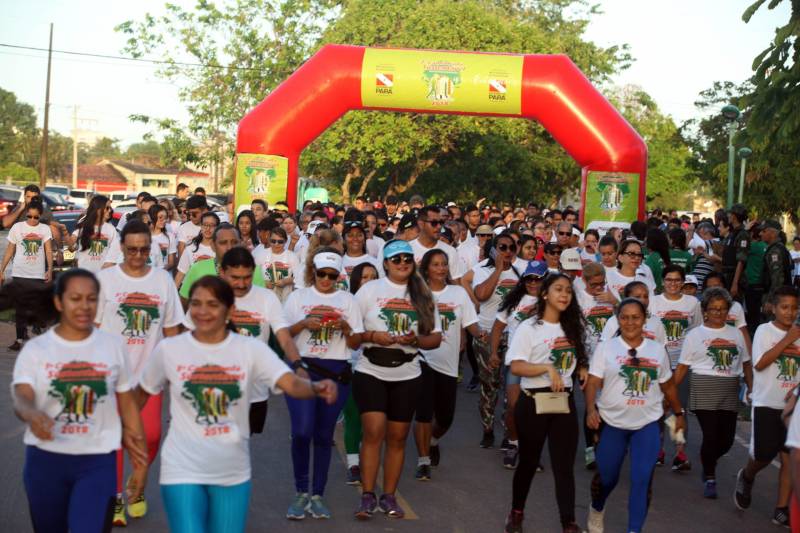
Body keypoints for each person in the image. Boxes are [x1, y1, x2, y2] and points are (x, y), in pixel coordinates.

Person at [136, 275, 337, 533]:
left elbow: (289, 383)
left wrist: (315, 387)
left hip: (231, 471)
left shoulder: (250, 349)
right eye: (196, 304)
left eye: (212, 304)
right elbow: (140, 394)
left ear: (230, 310)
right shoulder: (169, 350)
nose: (202, 311)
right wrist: (129, 437)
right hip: (181, 468)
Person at [11, 269, 149, 533]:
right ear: (59, 302)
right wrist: (31, 414)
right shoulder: (37, 350)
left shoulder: (112, 346)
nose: (85, 306)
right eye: (76, 298)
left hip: (97, 461)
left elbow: (129, 404)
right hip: (46, 461)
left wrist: (140, 464)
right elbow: (23, 396)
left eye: (92, 298)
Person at [95, 220, 185, 525]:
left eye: (144, 249)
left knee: (151, 435)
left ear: (151, 249)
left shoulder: (162, 281)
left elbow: (172, 329)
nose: (137, 254)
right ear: (121, 247)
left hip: (150, 377)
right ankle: (116, 498)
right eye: (131, 249)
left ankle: (138, 479)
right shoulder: (106, 280)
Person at [352, 239, 442, 520]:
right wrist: (372, 336)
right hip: (371, 369)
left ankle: (389, 495)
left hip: (408, 372)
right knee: (374, 431)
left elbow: (435, 338)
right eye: (397, 258)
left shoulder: (423, 293)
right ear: (386, 263)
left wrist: (416, 338)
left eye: (407, 258)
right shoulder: (369, 290)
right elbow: (352, 337)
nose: (403, 262)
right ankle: (368, 495)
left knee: (398, 436)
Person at [585, 298, 686, 533]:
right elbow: (593, 382)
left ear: (644, 319)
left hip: (648, 423)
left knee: (641, 480)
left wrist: (679, 413)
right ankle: (597, 508)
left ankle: (634, 530)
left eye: (636, 317)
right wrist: (591, 408)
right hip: (612, 423)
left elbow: (668, 386)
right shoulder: (606, 348)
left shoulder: (656, 349)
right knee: (608, 477)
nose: (630, 322)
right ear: (618, 319)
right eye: (625, 317)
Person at [503, 273, 588, 533]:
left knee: (564, 467)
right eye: (558, 290)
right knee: (529, 462)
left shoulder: (573, 326)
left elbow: (578, 356)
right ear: (544, 295)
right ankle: (516, 513)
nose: (564, 295)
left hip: (563, 404)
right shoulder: (529, 328)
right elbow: (515, 364)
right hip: (533, 402)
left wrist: (582, 367)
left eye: (568, 291)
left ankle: (568, 523)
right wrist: (546, 369)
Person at [282, 249, 363, 519]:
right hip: (303, 370)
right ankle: (300, 491)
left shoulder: (348, 301)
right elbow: (283, 336)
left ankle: (317, 495)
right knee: (302, 431)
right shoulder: (298, 297)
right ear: (312, 272)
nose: (326, 279)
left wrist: (347, 328)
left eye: (332, 275)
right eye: (321, 274)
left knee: (323, 436)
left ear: (339, 276)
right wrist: (304, 323)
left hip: (336, 371)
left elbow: (356, 344)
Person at [673, 287, 752, 498]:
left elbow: (746, 364)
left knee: (725, 441)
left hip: (729, 388)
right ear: (705, 311)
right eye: (713, 309)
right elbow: (682, 367)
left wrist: (752, 388)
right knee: (711, 435)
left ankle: (708, 459)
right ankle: (710, 477)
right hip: (703, 386)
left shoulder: (736, 334)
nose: (718, 313)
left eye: (723, 309)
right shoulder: (694, 335)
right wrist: (668, 393)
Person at [735, 286, 800, 527]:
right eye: (785, 307)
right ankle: (748, 474)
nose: (790, 312)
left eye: (794, 308)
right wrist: (788, 339)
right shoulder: (765, 330)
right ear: (773, 307)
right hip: (767, 402)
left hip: (792, 407)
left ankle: (781, 508)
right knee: (763, 454)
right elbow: (760, 363)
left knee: (789, 457)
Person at [414, 249, 480, 479]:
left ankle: (432, 440)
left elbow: (472, 324)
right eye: (436, 264)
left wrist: (484, 338)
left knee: (445, 417)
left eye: (444, 264)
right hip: (421, 359)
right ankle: (423, 460)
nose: (441, 268)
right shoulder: (417, 294)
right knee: (423, 413)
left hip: (448, 363)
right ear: (427, 269)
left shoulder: (458, 293)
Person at [469, 231, 525, 448]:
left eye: (511, 247)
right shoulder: (482, 271)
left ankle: (509, 429)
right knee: (490, 385)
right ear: (493, 250)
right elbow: (481, 295)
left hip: (513, 338)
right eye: (502, 247)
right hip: (486, 335)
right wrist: (498, 270)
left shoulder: (520, 274)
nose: (508, 252)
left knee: (511, 388)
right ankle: (488, 427)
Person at [492, 260, 547, 470]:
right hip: (516, 362)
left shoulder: (552, 300)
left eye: (538, 279)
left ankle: (531, 451)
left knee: (537, 411)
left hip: (541, 364)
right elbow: (498, 327)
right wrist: (493, 353)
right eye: (529, 278)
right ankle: (513, 443)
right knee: (515, 407)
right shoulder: (514, 300)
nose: (533, 283)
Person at [649, 264, 702, 470]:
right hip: (657, 364)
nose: (673, 284)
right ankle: (657, 449)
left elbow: (696, 332)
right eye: (669, 280)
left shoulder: (692, 303)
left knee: (678, 408)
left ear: (683, 282)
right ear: (663, 281)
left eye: (677, 280)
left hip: (682, 364)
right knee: (657, 407)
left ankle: (680, 452)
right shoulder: (653, 302)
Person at [575, 262, 617, 469]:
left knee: (606, 403)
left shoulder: (610, 295)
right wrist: (581, 362)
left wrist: (614, 301)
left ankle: (604, 445)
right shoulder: (579, 298)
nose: (599, 288)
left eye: (602, 283)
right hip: (588, 360)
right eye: (595, 285)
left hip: (610, 359)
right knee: (591, 404)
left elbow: (629, 315)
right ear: (584, 280)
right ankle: (591, 449)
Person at [342, 262, 379, 485]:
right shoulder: (347, 303)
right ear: (356, 280)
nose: (369, 281)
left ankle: (368, 455)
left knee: (373, 417)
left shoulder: (384, 304)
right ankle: (353, 463)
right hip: (352, 364)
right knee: (353, 415)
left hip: (378, 367)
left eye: (373, 277)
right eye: (364, 277)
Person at [0, 197, 53, 351]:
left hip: (37, 274)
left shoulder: (44, 229)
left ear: (40, 216)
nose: (32, 220)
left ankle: (39, 334)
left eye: (36, 217)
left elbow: (48, 250)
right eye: (29, 216)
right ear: (26, 214)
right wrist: (1, 269)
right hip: (20, 272)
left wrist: (49, 269)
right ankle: (19, 339)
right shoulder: (17, 228)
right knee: (20, 308)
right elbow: (10, 249)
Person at [178, 223, 266, 303]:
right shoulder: (197, 268)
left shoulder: (254, 271)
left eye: (234, 242)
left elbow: (261, 304)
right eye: (223, 243)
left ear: (240, 243)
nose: (229, 247)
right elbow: (184, 303)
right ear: (213, 245)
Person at [600, 281, 668, 346]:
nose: (643, 300)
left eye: (646, 296)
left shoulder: (656, 321)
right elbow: (603, 347)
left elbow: (662, 349)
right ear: (627, 298)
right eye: (637, 297)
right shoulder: (614, 321)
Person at [409, 206, 461, 280]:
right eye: (434, 223)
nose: (439, 226)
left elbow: (456, 283)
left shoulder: (450, 251)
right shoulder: (408, 250)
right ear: (421, 224)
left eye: (441, 222)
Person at [70, 194, 116, 273]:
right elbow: (70, 246)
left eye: (110, 208)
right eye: (107, 208)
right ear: (98, 209)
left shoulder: (111, 229)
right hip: (84, 275)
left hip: (103, 276)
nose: (110, 210)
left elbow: (115, 254)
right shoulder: (83, 226)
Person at [175, 212, 219, 289]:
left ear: (217, 227)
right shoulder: (191, 248)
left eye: (212, 225)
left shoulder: (221, 248)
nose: (208, 228)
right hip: (192, 292)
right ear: (201, 226)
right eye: (205, 225)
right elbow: (180, 274)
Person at [253, 226, 298, 302]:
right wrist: (264, 282)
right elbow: (253, 275)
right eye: (273, 241)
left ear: (286, 241)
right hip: (263, 298)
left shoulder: (292, 256)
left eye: (280, 242)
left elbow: (299, 277)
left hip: (285, 298)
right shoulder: (260, 254)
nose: (276, 244)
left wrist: (285, 281)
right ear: (269, 240)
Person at [762, 220, 794, 306]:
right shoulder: (780, 247)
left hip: (777, 299)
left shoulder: (775, 251)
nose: (761, 234)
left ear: (773, 233)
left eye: (764, 231)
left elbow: (777, 279)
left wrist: (770, 301)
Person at [341, 220, 380, 291]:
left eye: (359, 235)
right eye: (350, 235)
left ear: (364, 238)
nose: (355, 239)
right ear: (343, 240)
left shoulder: (376, 263)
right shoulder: (338, 262)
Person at [149, 204, 177, 271]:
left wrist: (160, 272)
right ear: (153, 217)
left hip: (164, 276)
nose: (164, 220)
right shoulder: (143, 237)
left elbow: (171, 263)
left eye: (165, 218)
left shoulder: (170, 236)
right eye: (160, 217)